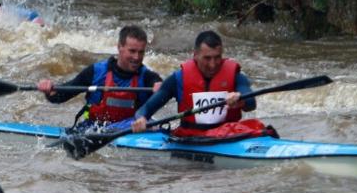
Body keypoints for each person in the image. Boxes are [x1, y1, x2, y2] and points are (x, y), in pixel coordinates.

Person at [132, 30, 274, 140]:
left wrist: (240, 98)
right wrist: (141, 119)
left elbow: (251, 103)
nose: (213, 64)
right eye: (207, 58)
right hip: (191, 137)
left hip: (228, 136)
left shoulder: (236, 76)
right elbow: (146, 109)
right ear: (195, 55)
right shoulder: (178, 79)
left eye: (217, 57)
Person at [36, 26, 163, 131]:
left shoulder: (147, 76)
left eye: (141, 52)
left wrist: (162, 88)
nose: (137, 57)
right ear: (120, 47)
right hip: (95, 128)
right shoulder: (96, 72)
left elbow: (159, 84)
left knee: (152, 125)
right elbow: (61, 96)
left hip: (131, 129)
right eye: (132, 51)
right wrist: (49, 90)